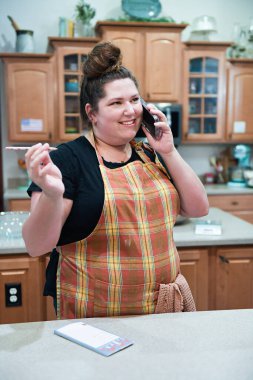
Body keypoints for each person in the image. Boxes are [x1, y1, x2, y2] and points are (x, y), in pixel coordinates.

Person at [22, 41, 209, 319]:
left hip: (162, 311)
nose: (131, 111)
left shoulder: (152, 152)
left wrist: (169, 151)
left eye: (135, 100)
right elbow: (36, 245)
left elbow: (198, 208)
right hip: (96, 316)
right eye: (116, 103)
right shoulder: (66, 160)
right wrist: (51, 194)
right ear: (92, 113)